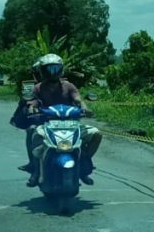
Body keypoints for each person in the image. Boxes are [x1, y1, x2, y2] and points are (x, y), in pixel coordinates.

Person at [26, 54, 101, 187]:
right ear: (42, 71)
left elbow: (78, 99)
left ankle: (84, 163)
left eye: (55, 69)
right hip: (47, 124)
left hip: (71, 124)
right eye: (48, 69)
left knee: (96, 134)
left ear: (61, 69)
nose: (52, 73)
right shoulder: (38, 87)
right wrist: (32, 109)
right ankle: (36, 171)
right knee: (33, 132)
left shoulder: (68, 86)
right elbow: (33, 102)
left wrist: (85, 108)